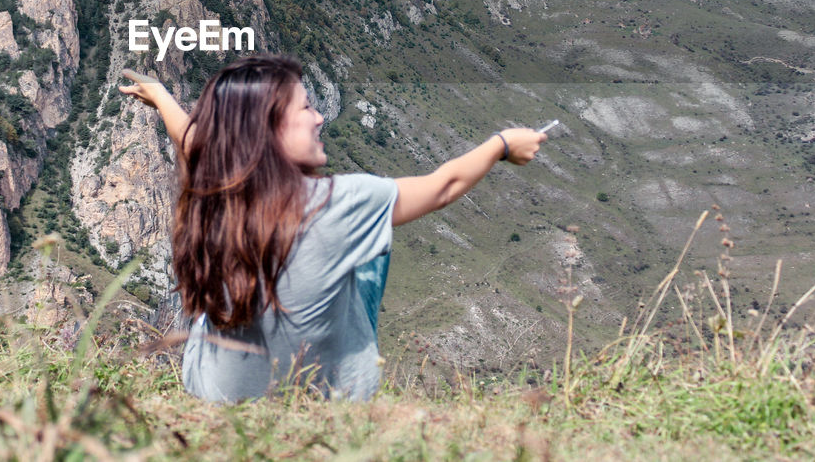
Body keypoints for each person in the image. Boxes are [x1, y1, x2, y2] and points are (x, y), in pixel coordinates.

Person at [119, 55, 545, 402]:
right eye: (306, 108)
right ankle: (341, 373)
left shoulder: (215, 191)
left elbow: (193, 141)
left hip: (214, 394)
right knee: (367, 252)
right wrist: (503, 145)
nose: (320, 117)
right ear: (269, 129)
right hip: (315, 399)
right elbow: (443, 187)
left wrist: (160, 97)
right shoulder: (339, 204)